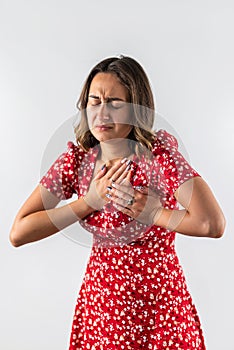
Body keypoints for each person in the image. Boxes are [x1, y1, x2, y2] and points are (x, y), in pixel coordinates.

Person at [10, 56, 225, 349]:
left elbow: (212, 223)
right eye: (94, 101)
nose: (102, 113)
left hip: (160, 311)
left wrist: (155, 213)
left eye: (115, 103)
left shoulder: (159, 158)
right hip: (103, 313)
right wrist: (88, 202)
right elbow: (19, 232)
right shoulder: (77, 163)